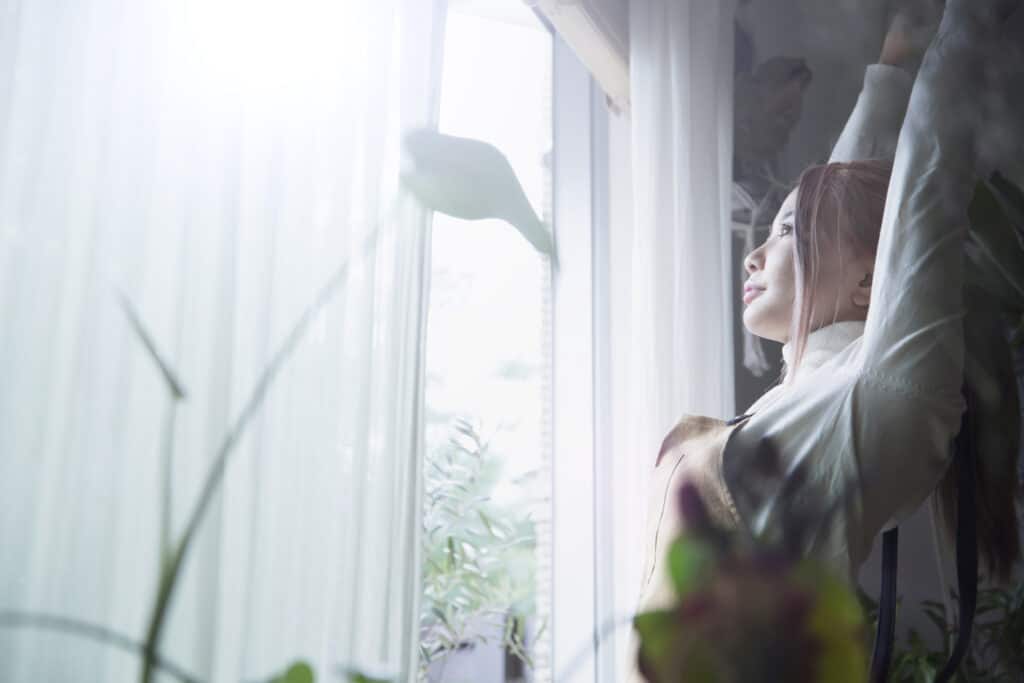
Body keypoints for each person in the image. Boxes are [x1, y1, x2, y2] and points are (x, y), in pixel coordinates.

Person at [632, 0, 1024, 649]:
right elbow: (837, 209)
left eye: (786, 232)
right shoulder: (806, 386)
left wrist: (967, 20)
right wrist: (894, 60)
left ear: (873, 282)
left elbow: (927, 174)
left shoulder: (876, 395)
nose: (756, 252)